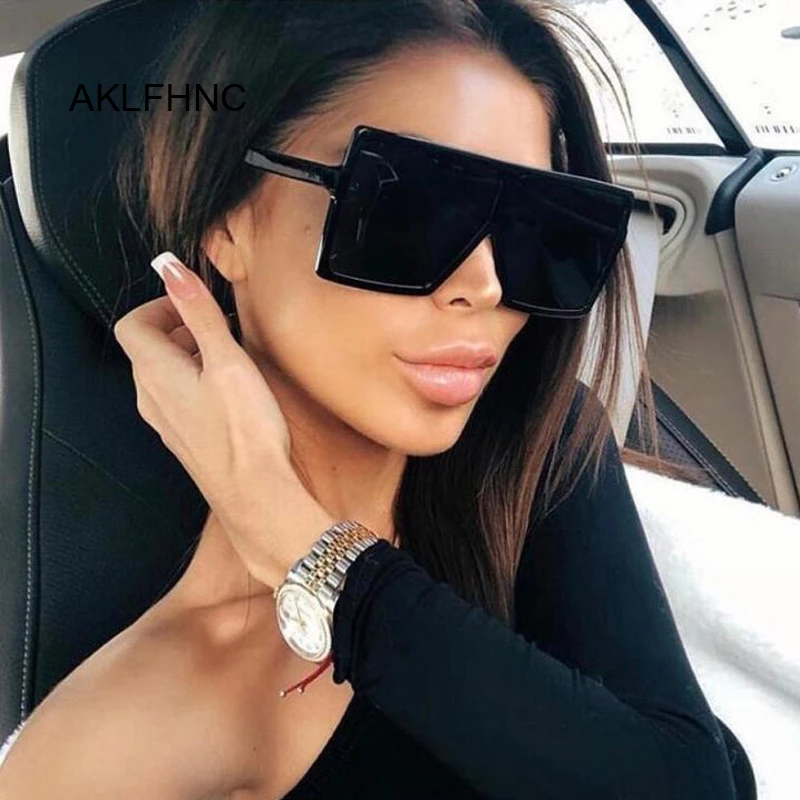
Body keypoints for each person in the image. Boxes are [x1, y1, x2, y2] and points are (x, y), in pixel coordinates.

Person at [0, 0, 751, 798]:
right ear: (226, 225)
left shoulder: (537, 446)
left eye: (538, 228)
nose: (486, 285)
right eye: (411, 209)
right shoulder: (123, 739)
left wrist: (298, 544)